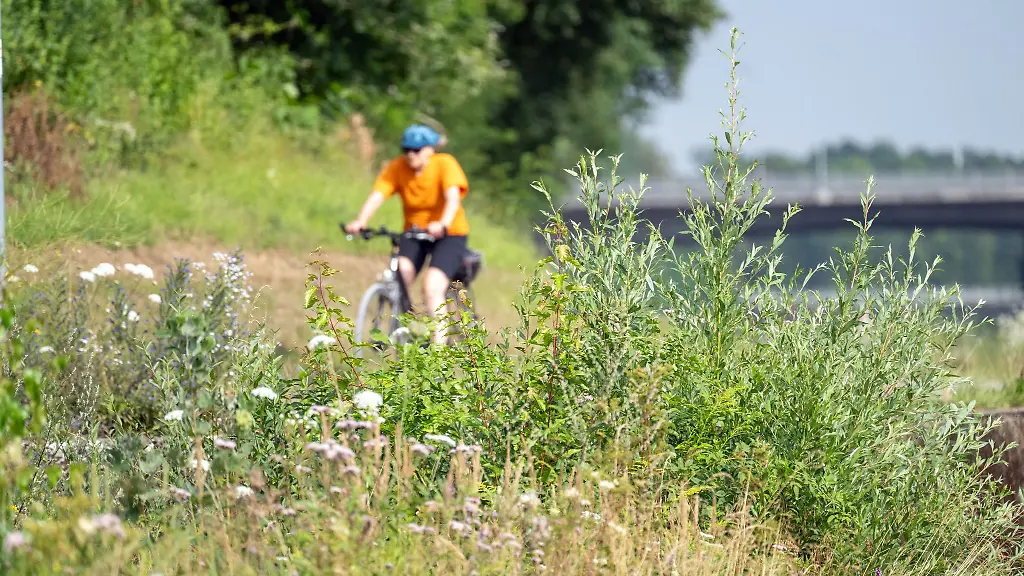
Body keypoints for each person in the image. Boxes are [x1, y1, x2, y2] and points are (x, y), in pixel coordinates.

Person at [344, 124, 471, 344]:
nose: (410, 154)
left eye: (417, 149)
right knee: (399, 275)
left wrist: (442, 223)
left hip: (449, 233)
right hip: (414, 233)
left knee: (432, 287)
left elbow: (452, 198)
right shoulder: (398, 167)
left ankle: (438, 357)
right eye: (406, 150)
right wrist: (361, 221)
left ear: (430, 149)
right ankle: (412, 329)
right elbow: (378, 195)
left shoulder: (444, 164)